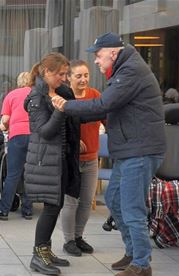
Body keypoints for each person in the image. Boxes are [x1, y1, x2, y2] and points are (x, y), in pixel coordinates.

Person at [53, 32, 166, 276]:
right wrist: (76, 115)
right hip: (130, 149)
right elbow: (107, 108)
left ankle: (141, 263)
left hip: (140, 150)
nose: (96, 61)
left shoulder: (130, 72)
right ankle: (133, 251)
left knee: (131, 207)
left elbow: (103, 104)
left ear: (113, 53)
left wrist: (65, 106)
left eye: (98, 55)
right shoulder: (124, 70)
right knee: (114, 199)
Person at [24, 52, 81, 276]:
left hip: (60, 159)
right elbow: (45, 132)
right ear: (46, 72)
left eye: (66, 74)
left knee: (55, 205)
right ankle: (38, 255)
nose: (64, 78)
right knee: (51, 207)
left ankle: (45, 249)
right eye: (60, 74)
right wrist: (59, 110)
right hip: (46, 160)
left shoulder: (58, 92)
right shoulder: (36, 98)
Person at [59, 60, 103, 257]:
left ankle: (78, 237)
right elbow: (59, 128)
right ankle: (68, 240)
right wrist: (74, 141)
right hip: (71, 159)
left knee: (86, 201)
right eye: (78, 76)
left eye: (86, 75)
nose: (83, 79)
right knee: (71, 201)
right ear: (69, 77)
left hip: (92, 158)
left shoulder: (95, 96)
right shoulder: (63, 97)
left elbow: (106, 118)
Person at [0, 71, 34, 221]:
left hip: (16, 135)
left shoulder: (11, 95)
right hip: (35, 136)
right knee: (29, 174)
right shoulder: (37, 94)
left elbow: (5, 119)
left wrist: (4, 126)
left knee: (12, 175)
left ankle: (4, 211)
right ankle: (28, 210)